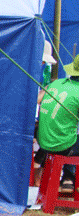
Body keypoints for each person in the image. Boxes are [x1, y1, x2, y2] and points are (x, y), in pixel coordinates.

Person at [35, 56, 79, 189]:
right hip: (61, 145)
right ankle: (69, 178)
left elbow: (38, 100)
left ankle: (67, 177)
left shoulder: (55, 84)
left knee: (69, 131)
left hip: (43, 141)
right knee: (72, 137)